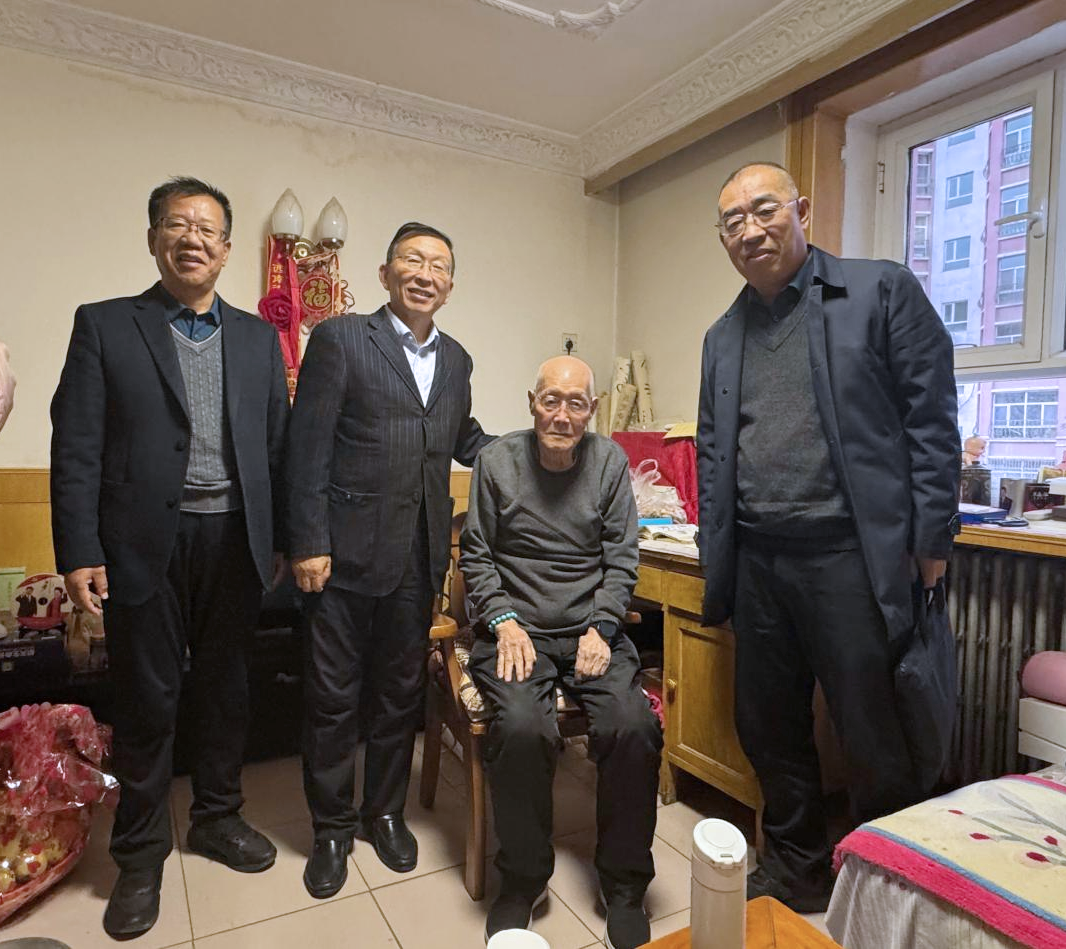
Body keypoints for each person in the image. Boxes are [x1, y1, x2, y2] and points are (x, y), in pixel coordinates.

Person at [696, 162, 960, 912]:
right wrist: (719, 557)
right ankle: (797, 868)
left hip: (852, 557)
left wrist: (932, 541)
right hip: (759, 561)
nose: (750, 229)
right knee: (768, 727)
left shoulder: (879, 291)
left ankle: (890, 887)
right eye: (733, 221)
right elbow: (714, 451)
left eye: (764, 209)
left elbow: (932, 420)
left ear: (801, 209)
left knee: (875, 732)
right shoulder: (722, 335)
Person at [51, 177, 288, 939]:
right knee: (146, 700)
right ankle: (141, 852)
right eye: (178, 225)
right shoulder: (105, 324)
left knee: (226, 690)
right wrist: (79, 548)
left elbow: (275, 446)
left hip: (235, 540)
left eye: (208, 229)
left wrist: (280, 536)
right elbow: (76, 445)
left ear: (226, 248)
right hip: (139, 542)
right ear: (154, 238)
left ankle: (217, 818)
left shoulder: (258, 338)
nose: (193, 239)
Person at [286, 222, 494, 899]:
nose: (425, 273)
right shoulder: (342, 338)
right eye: (412, 259)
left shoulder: (457, 359)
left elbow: (462, 437)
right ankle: (331, 828)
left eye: (439, 264)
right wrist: (308, 541)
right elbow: (308, 445)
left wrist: (539, 449)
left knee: (398, 695)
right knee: (332, 698)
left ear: (451, 285)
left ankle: (383, 813)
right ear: (385, 273)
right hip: (341, 557)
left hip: (418, 556)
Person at [460, 356, 661, 949]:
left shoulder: (609, 462)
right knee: (523, 728)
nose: (562, 415)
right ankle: (522, 879)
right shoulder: (496, 462)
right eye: (551, 400)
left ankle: (624, 885)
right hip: (515, 632)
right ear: (532, 402)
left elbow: (622, 558)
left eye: (576, 403)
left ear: (592, 411)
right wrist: (503, 621)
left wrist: (602, 626)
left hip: (590, 633)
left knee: (633, 726)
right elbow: (477, 555)